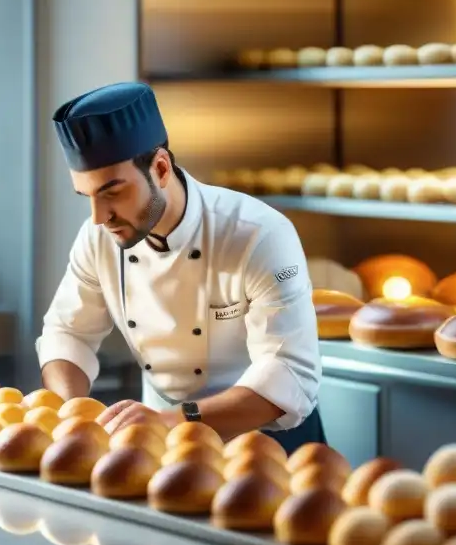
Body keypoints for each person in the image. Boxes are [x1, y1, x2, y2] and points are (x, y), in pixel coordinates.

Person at [37, 81, 325, 450]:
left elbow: (289, 373)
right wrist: (74, 413)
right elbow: (68, 332)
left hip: (264, 442)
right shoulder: (98, 237)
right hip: (162, 443)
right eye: (88, 196)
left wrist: (173, 420)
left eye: (112, 193)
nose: (99, 217)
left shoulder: (258, 234)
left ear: (159, 168)